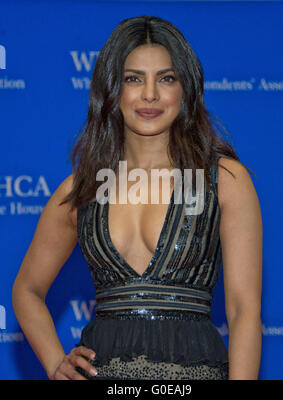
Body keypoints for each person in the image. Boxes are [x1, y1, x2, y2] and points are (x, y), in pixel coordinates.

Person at [12, 15, 263, 380]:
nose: (150, 94)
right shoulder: (82, 190)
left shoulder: (223, 181)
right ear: (112, 89)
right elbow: (26, 290)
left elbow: (243, 311)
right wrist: (55, 363)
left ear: (185, 89)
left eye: (166, 78)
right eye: (134, 79)